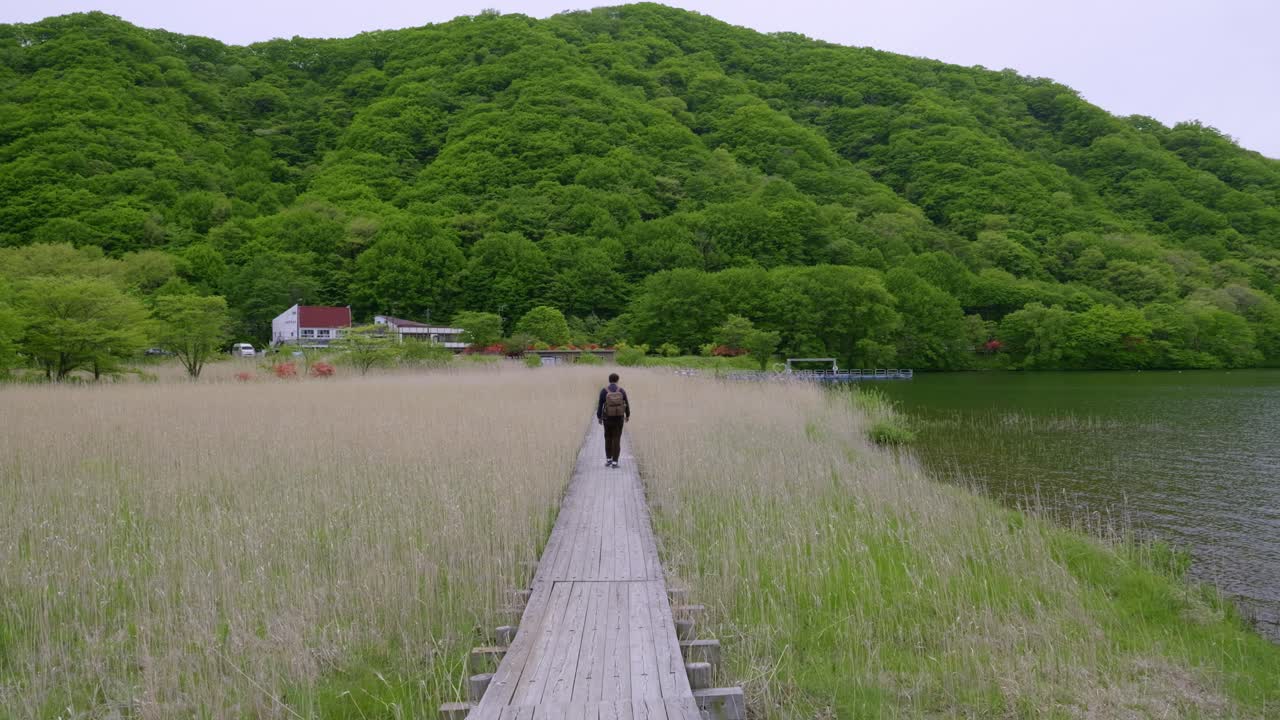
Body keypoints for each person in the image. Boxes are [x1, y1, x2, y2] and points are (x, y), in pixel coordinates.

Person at [596, 372, 630, 468]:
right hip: (619, 418)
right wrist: (627, 415)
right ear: (617, 380)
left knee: (608, 438)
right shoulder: (621, 390)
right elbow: (626, 404)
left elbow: (600, 405)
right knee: (616, 439)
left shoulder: (604, 391)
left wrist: (599, 417)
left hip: (607, 418)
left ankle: (608, 460)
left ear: (609, 380)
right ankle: (615, 462)